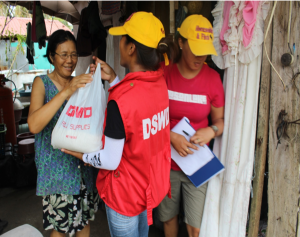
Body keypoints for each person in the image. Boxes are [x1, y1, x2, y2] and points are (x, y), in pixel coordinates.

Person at [61, 12, 175, 237]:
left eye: (123, 38)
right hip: (146, 189)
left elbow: (110, 160)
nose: (120, 42)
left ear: (131, 48)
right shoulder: (160, 83)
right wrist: (114, 80)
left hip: (124, 197)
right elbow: (138, 113)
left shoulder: (120, 101)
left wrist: (80, 154)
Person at [157, 15, 225, 237]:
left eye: (204, 50)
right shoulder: (164, 75)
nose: (200, 56)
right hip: (167, 161)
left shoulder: (213, 79)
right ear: (181, 42)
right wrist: (170, 137)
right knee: (168, 220)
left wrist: (211, 131)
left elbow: (220, 122)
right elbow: (149, 118)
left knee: (195, 226)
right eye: (194, 48)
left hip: (197, 163)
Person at [28, 29, 99, 237]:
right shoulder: (41, 84)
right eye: (64, 55)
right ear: (52, 57)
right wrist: (67, 91)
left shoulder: (81, 82)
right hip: (56, 174)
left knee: (84, 224)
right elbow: (33, 125)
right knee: (59, 230)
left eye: (74, 54)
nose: (70, 60)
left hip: (82, 171)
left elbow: (91, 122)